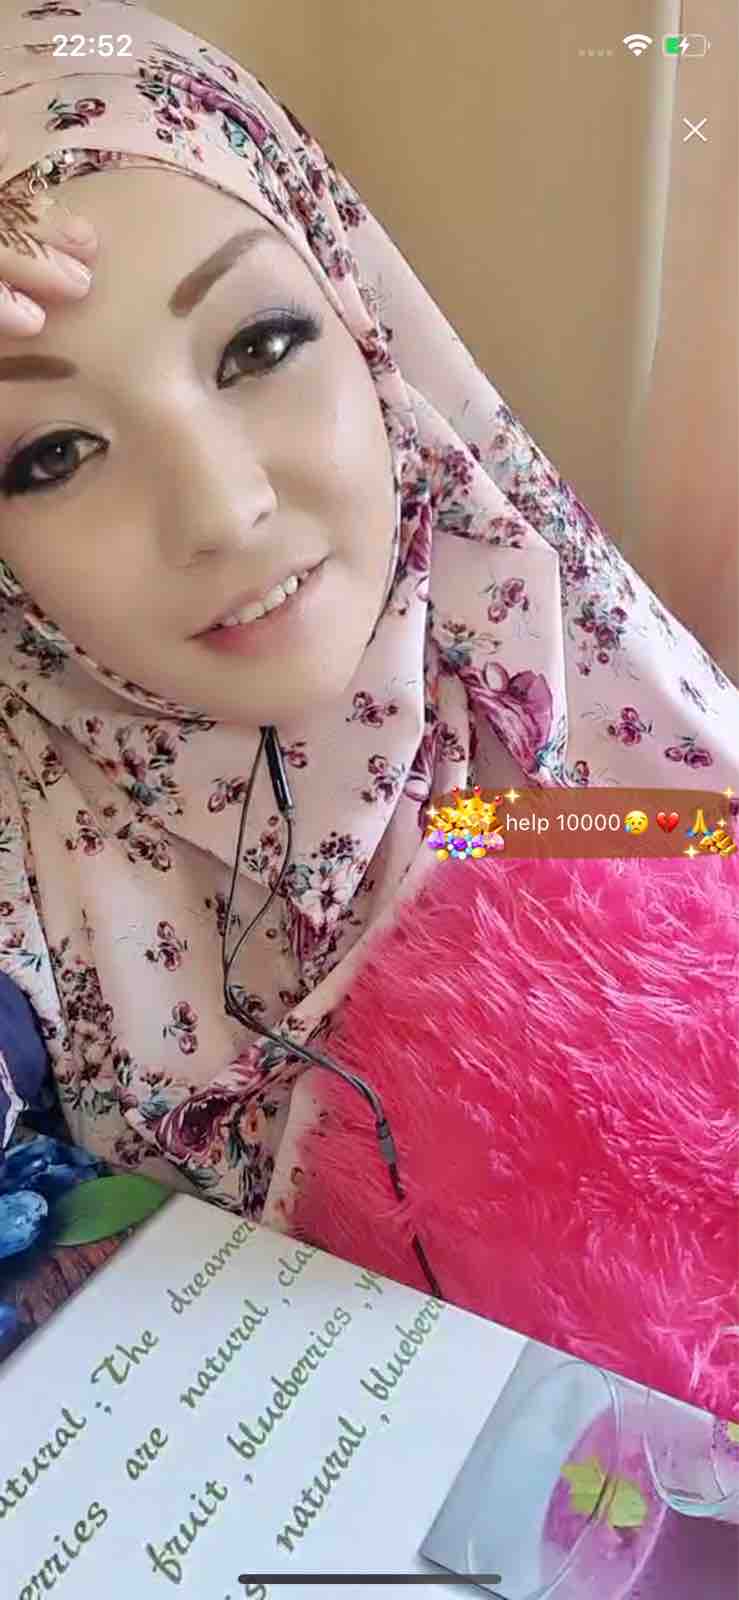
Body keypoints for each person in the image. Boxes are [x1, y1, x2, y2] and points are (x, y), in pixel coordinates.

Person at [0, 2, 737, 1239]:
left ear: (366, 328)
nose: (222, 510)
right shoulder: (29, 838)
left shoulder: (532, 673)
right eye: (54, 454)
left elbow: (687, 848)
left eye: (259, 345)